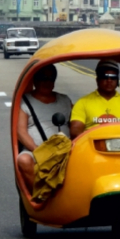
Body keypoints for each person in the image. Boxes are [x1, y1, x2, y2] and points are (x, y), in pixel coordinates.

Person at [17, 65, 73, 193]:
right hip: (36, 150)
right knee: (23, 160)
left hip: (64, 149)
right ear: (35, 80)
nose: (47, 82)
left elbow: (76, 125)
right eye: (43, 78)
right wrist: (39, 151)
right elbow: (21, 132)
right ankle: (40, 195)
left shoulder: (64, 100)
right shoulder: (25, 101)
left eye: (50, 78)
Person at [69, 59, 120, 139]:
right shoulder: (82, 103)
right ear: (97, 80)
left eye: (113, 77)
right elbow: (75, 130)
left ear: (117, 80)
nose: (109, 80)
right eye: (105, 77)